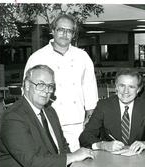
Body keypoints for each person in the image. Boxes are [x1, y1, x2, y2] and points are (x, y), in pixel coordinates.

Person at [0, 65, 95, 167]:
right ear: (27, 85)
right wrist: (72, 157)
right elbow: (32, 162)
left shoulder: (50, 111)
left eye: (50, 86)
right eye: (40, 84)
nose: (47, 91)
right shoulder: (13, 117)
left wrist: (73, 165)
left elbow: (62, 146)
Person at [23, 14, 98, 152]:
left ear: (73, 34)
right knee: (53, 163)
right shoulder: (37, 57)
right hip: (47, 122)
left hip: (77, 124)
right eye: (61, 29)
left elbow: (90, 88)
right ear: (53, 30)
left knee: (79, 165)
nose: (65, 34)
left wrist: (90, 119)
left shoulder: (82, 57)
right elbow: (27, 93)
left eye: (69, 31)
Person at [79, 69, 145, 153]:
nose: (126, 91)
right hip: (109, 160)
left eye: (131, 87)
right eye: (122, 86)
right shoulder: (103, 106)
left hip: (137, 159)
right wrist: (102, 145)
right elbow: (85, 137)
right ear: (116, 87)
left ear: (138, 89)